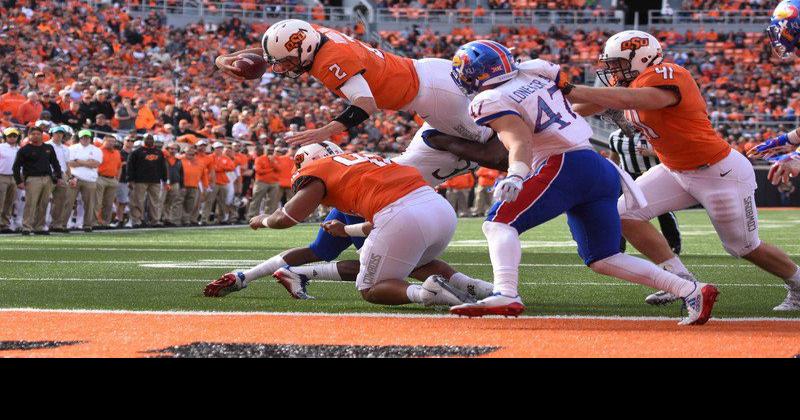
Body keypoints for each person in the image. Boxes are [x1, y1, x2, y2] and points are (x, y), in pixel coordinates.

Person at [446, 40, 717, 325]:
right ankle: (690, 289)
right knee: (604, 257)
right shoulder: (535, 72)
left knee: (499, 223)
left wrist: (516, 174)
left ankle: (506, 292)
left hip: (563, 163)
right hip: (597, 166)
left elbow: (519, 139)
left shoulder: (488, 100)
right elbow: (558, 88)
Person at [560, 29, 800, 312]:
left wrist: (568, 87)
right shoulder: (631, 83)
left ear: (643, 57)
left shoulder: (668, 74)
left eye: (619, 64)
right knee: (625, 213)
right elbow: (582, 107)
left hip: (718, 172)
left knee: (743, 247)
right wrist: (546, 101)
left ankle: (797, 283)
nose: (613, 71)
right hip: (675, 170)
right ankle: (681, 280)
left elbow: (632, 99)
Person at [207, 142, 487, 308]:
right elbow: (329, 243)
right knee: (408, 261)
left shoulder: (320, 170)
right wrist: (346, 230)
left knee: (372, 283)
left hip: (400, 214)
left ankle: (427, 293)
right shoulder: (363, 162)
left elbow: (288, 217)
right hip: (438, 209)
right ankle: (479, 288)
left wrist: (262, 220)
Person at [607, 128, 682, 256]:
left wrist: (652, 153)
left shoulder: (652, 133)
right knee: (619, 210)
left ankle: (673, 244)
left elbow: (673, 153)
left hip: (653, 176)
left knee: (663, 211)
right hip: (628, 178)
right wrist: (610, 175)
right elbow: (614, 159)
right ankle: (618, 247)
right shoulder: (614, 136)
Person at [12, 125, 63, 235]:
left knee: (44, 203)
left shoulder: (49, 148)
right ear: (29, 136)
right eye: (33, 134)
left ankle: (39, 227)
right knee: (31, 203)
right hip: (32, 179)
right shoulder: (24, 150)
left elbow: (55, 163)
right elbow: (16, 167)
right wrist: (19, 181)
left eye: (38, 134)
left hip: (47, 178)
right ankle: (27, 226)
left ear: (42, 135)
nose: (36, 136)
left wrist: (58, 176)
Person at [127, 134, 168, 228]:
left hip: (155, 180)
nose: (149, 140)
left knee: (155, 201)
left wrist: (165, 180)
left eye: (151, 139)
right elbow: (130, 167)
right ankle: (137, 220)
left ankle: (155, 220)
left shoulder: (159, 152)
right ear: (143, 140)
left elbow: (163, 167)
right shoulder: (136, 152)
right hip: (139, 180)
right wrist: (130, 179)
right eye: (147, 139)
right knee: (138, 201)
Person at [66, 129, 103, 232]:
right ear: (80, 138)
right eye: (83, 137)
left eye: (87, 137)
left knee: (89, 203)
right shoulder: (72, 148)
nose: (85, 139)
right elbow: (69, 163)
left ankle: (87, 225)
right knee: (68, 202)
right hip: (74, 177)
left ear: (90, 138)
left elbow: (95, 164)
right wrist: (87, 163)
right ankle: (64, 224)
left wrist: (78, 161)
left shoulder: (96, 150)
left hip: (89, 179)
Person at [46, 125, 72, 233]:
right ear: (52, 134)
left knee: (61, 200)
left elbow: (67, 164)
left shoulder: (65, 148)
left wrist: (69, 176)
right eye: (57, 133)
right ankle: (39, 224)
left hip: (62, 174)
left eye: (61, 133)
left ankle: (56, 224)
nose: (59, 135)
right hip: (48, 173)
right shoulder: (46, 145)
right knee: (44, 199)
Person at [94, 135, 122, 229]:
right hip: (100, 177)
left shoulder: (117, 152)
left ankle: (105, 222)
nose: (111, 143)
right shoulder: (98, 151)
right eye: (109, 141)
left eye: (113, 141)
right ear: (104, 141)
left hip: (112, 179)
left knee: (109, 203)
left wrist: (117, 178)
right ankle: (95, 222)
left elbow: (119, 166)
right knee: (97, 201)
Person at [248, 144, 281, 218]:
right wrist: (271, 169)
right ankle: (252, 217)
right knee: (256, 199)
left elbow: (279, 169)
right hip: (261, 182)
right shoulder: (259, 159)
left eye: (272, 150)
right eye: (269, 150)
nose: (270, 152)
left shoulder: (276, 158)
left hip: (274, 182)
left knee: (272, 201)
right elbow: (259, 171)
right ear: (265, 150)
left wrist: (272, 162)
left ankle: (268, 217)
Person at [0, 127, 21, 233]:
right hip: (1, 176)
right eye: (9, 136)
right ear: (5, 137)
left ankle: (4, 224)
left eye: (14, 136)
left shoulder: (19, 149)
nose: (12, 138)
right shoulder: (1, 147)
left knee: (9, 202)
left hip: (14, 177)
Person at [178, 146, 203, 226]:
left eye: (193, 154)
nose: (191, 155)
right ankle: (178, 220)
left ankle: (186, 220)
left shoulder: (198, 162)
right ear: (184, 153)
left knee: (190, 205)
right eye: (189, 153)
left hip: (193, 185)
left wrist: (205, 186)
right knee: (179, 202)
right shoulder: (179, 160)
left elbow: (203, 174)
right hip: (182, 185)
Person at [162, 142, 183, 226]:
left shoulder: (178, 160)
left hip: (175, 182)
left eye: (175, 149)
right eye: (171, 148)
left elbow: (181, 173)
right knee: (161, 201)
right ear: (167, 149)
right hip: (163, 182)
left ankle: (167, 218)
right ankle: (158, 218)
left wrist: (181, 183)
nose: (173, 150)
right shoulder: (163, 158)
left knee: (170, 202)